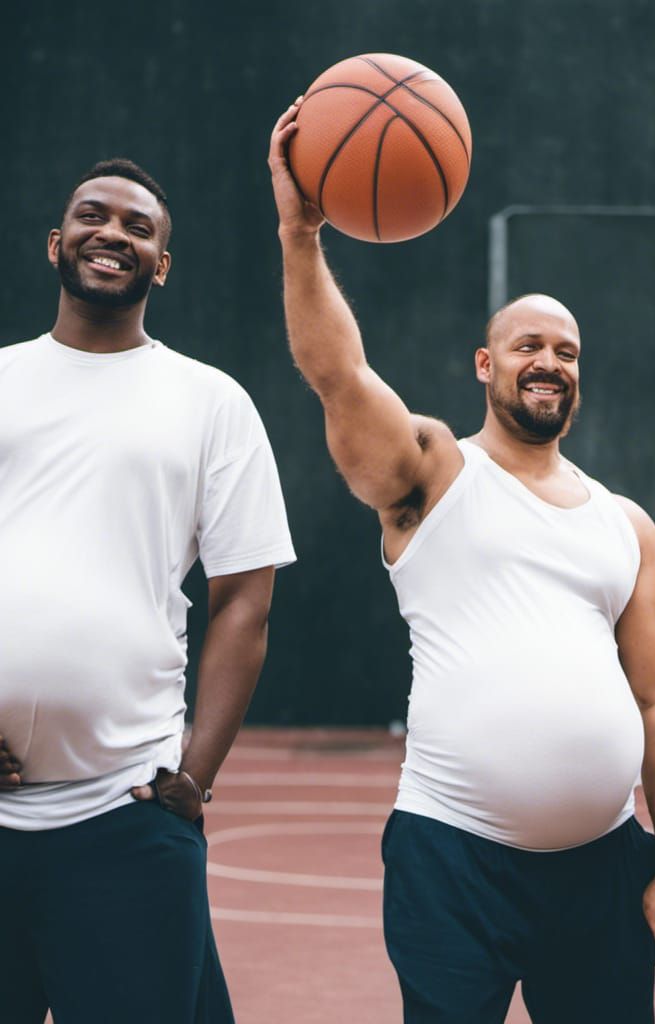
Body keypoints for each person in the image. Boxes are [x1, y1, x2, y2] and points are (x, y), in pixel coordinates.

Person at [268, 103, 655, 1024]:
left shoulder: (626, 522)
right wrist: (300, 233)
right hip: (452, 857)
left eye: (566, 351)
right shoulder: (432, 473)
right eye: (528, 346)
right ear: (484, 365)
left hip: (605, 867)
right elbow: (339, 375)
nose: (549, 362)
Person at [0, 159, 295, 1023]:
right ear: (57, 243)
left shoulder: (211, 402)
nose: (113, 234)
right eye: (94, 216)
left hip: (125, 813)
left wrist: (194, 777)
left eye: (139, 227)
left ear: (160, 265)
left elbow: (245, 598)